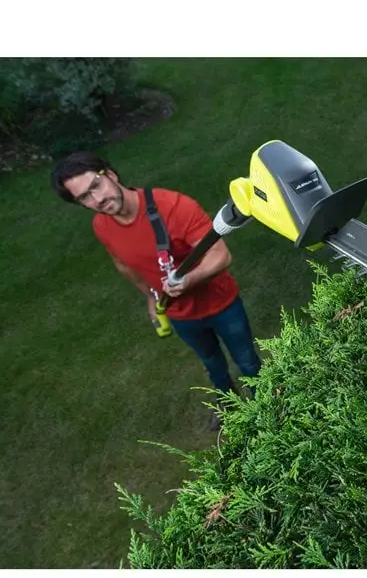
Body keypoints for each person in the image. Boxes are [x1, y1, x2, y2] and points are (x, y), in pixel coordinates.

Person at [50, 151, 262, 430]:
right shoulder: (102, 226)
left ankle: (265, 408)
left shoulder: (173, 207)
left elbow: (221, 256)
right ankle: (229, 405)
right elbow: (123, 265)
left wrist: (190, 279)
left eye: (96, 186)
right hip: (180, 316)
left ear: (110, 174)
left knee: (247, 360)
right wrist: (150, 297)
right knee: (212, 363)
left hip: (222, 305)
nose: (97, 199)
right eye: (85, 198)